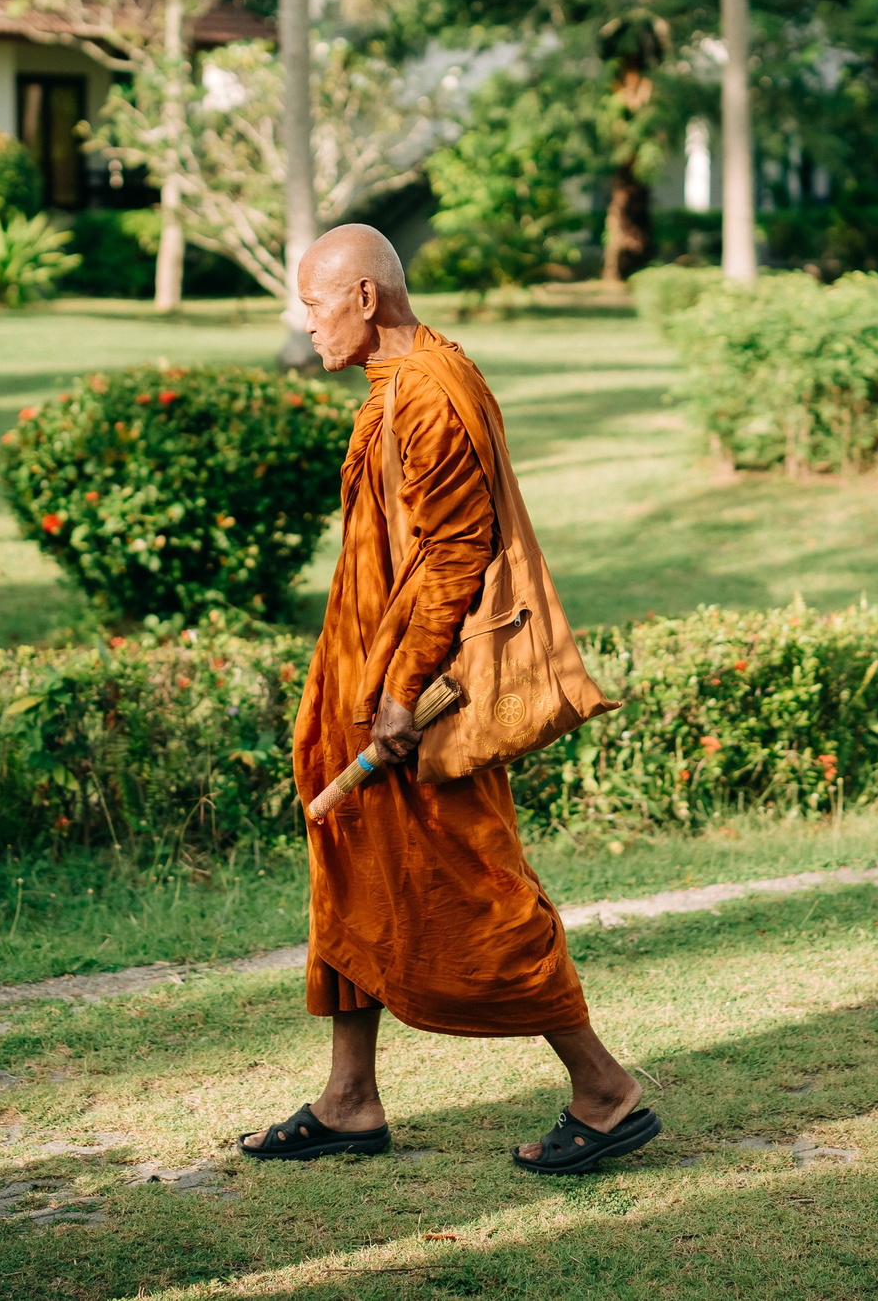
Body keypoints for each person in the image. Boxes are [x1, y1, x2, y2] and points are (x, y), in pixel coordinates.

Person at [238, 224, 659, 1174]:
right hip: (366, 686)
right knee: (352, 874)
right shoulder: (405, 379)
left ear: (365, 300)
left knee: (477, 884)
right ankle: (349, 1099)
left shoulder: (427, 395)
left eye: (312, 305)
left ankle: (604, 1090)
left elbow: (455, 556)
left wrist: (397, 692)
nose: (303, 324)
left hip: (410, 705)